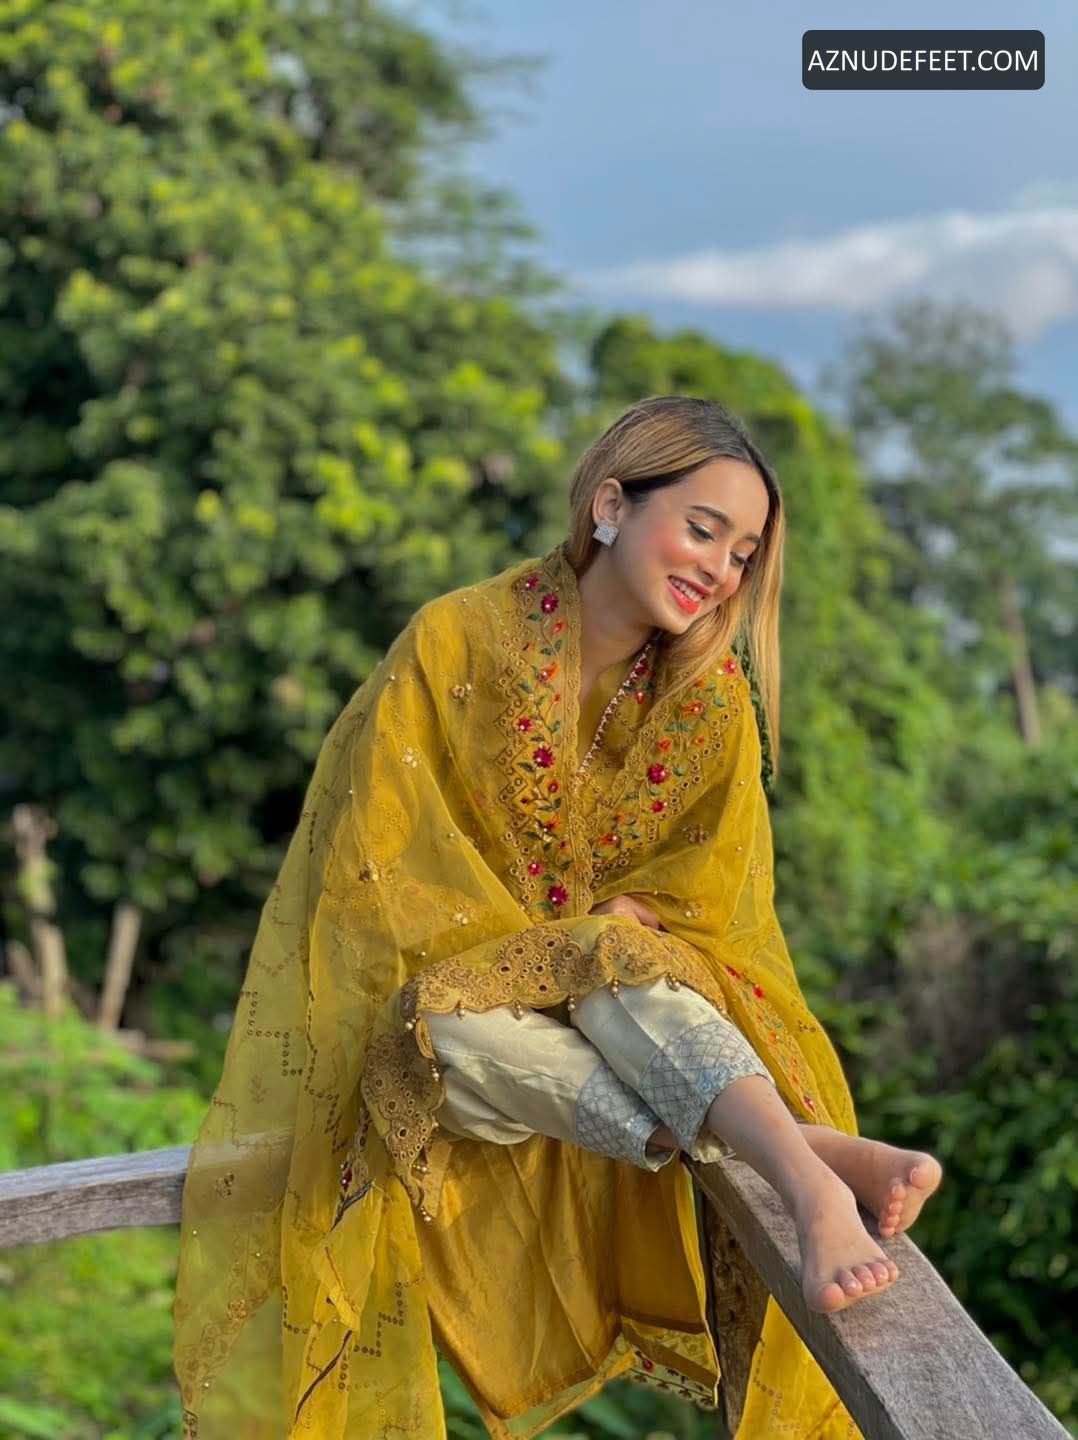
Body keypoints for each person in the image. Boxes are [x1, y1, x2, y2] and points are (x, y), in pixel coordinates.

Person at [173, 395, 942, 1439]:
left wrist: (626, 920)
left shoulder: (709, 698)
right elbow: (375, 871)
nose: (720, 570)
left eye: (743, 554)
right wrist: (547, 947)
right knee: (446, 1023)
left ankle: (806, 1188)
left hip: (624, 1022)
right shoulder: (457, 640)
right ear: (611, 506)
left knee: (620, 961)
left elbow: (713, 894)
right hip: (467, 1041)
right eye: (702, 530)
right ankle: (800, 1148)